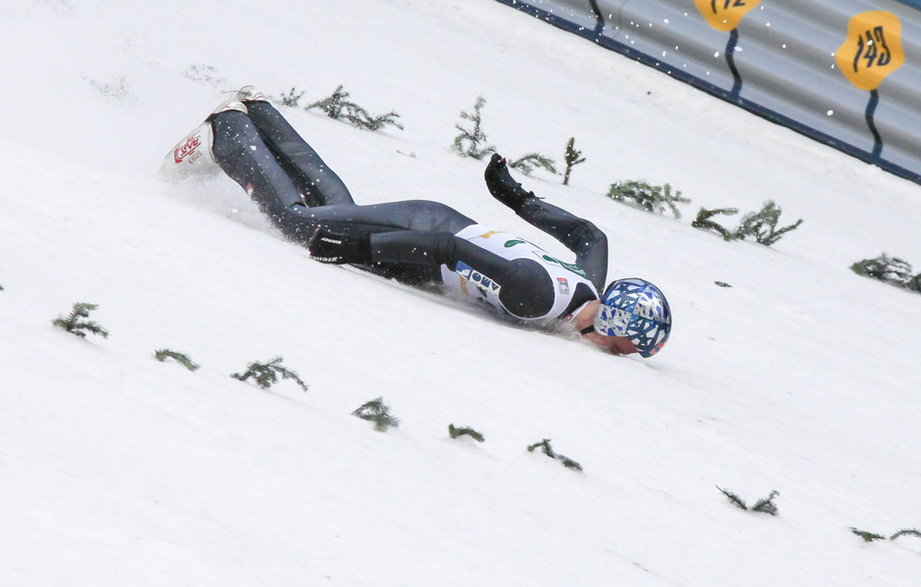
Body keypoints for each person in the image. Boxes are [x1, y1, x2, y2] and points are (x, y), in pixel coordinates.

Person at [162, 86, 672, 357]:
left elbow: (591, 236)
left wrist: (517, 196)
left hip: (433, 234)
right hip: (428, 233)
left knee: (337, 208)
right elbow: (449, 249)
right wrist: (365, 253)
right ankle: (228, 135)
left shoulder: (590, 286)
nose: (617, 355)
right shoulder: (538, 296)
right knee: (305, 225)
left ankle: (259, 111)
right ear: (611, 323)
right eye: (622, 347)